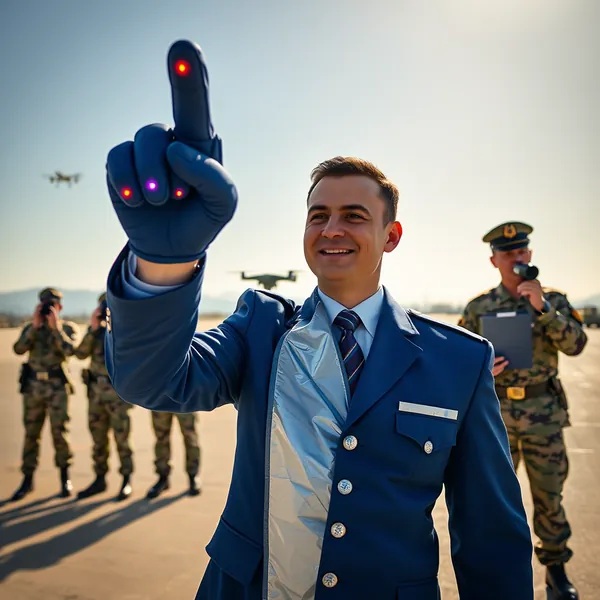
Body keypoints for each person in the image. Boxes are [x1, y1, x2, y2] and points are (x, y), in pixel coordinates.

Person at [103, 40, 534, 599]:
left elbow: (490, 533)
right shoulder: (260, 328)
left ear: (391, 236)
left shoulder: (458, 358)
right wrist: (162, 262)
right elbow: (153, 381)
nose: (331, 228)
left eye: (354, 216)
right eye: (318, 215)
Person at [459, 221, 587, 600]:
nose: (516, 258)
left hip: (542, 416)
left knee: (549, 497)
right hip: (495, 418)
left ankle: (556, 573)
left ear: (529, 255)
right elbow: (461, 361)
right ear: (494, 260)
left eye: (521, 252)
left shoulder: (555, 300)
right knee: (494, 498)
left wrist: (543, 309)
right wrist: (481, 368)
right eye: (508, 253)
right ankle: (497, 576)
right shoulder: (479, 307)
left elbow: (576, 345)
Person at [11, 287, 78, 501]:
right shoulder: (31, 328)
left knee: (60, 433)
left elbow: (71, 351)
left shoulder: (67, 328)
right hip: (33, 389)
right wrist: (35, 326)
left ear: (60, 307)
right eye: (45, 305)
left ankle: (64, 478)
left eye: (53, 305)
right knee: (31, 434)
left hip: (57, 388)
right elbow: (19, 349)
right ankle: (27, 479)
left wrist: (55, 328)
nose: (49, 308)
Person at [74, 293, 134, 501]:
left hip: (117, 396)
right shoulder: (94, 332)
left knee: (122, 439)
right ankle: (100, 478)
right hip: (96, 396)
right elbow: (80, 354)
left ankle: (126, 479)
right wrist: (92, 329)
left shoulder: (125, 331)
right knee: (98, 439)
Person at [146, 411, 201, 498]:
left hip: (184, 401)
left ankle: (193, 475)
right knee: (161, 439)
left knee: (190, 438)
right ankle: (163, 478)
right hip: (161, 401)